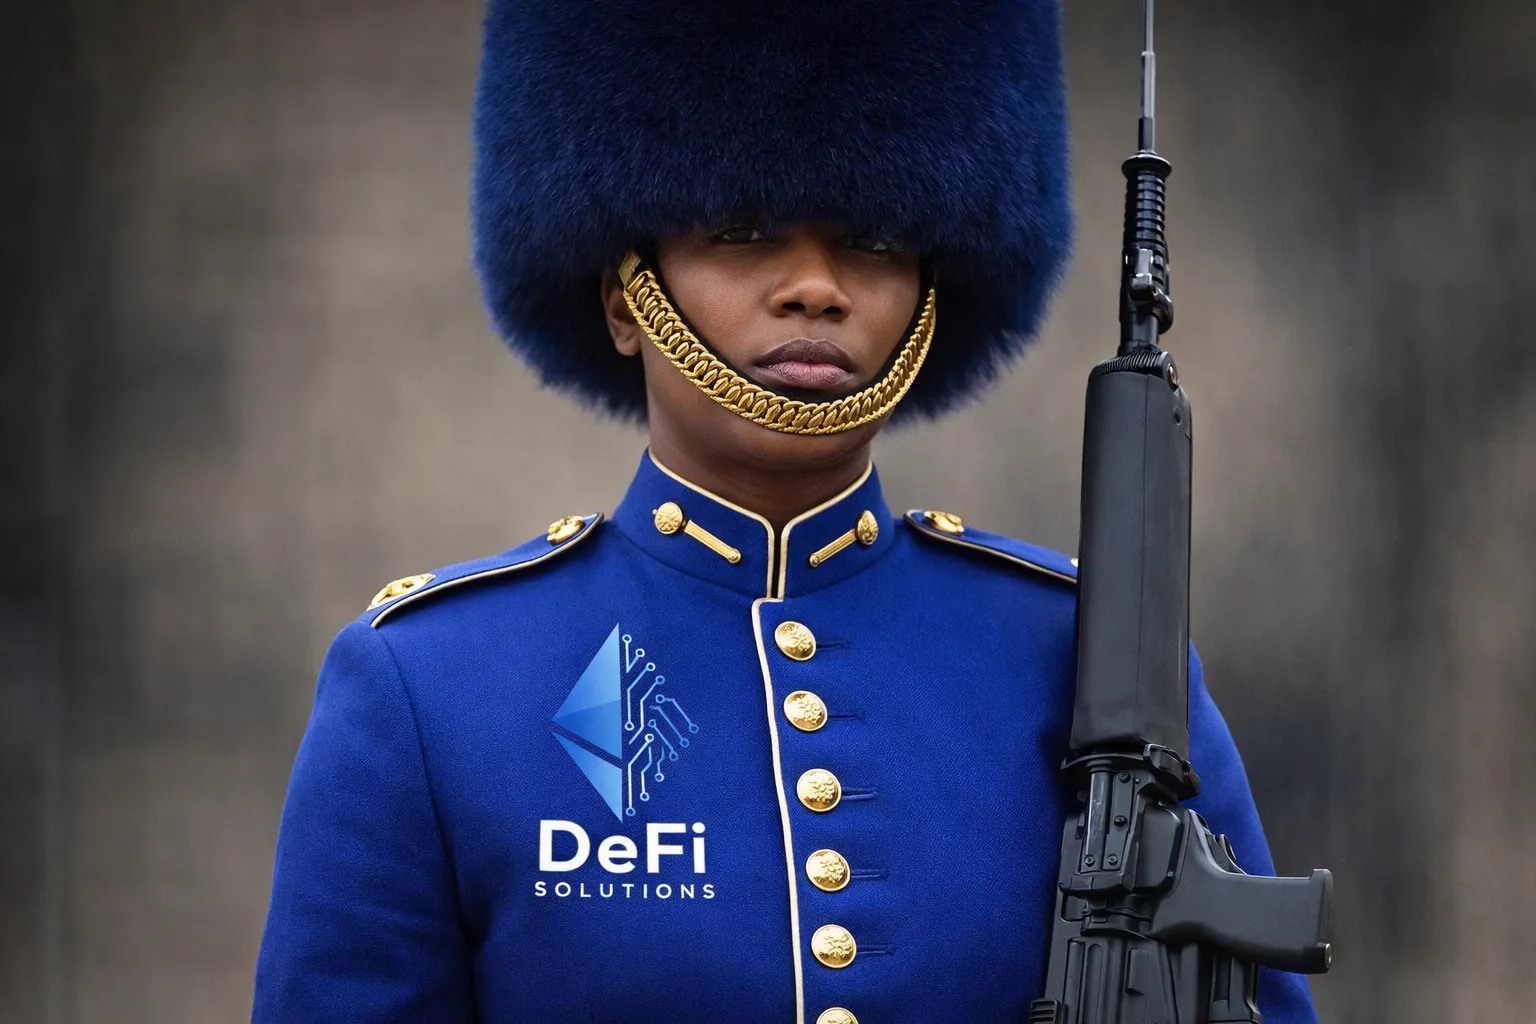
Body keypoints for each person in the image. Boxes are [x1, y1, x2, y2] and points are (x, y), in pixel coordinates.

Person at [252, 2, 1320, 1022]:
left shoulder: (1094, 660)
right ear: (630, 297)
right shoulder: (430, 693)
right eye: (743, 228)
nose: (815, 286)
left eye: (874, 237)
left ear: (932, 288)